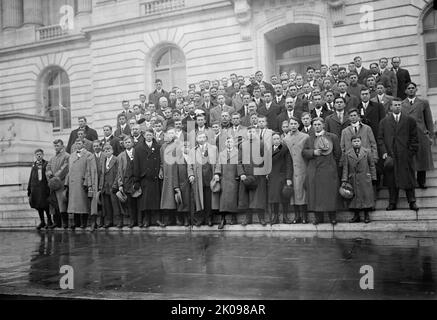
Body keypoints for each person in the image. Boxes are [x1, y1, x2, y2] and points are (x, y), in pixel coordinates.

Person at [377, 98, 419, 211]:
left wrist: (410, 152)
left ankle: (412, 201)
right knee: (391, 180)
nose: (397, 107)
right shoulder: (384, 122)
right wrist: (384, 152)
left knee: (408, 179)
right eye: (395, 105)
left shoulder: (409, 120)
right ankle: (392, 202)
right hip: (391, 156)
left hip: (405, 155)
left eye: (399, 105)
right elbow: (380, 139)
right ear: (390, 107)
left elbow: (414, 138)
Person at [302, 117, 341, 225]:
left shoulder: (332, 137)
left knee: (330, 193)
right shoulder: (309, 139)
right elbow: (304, 153)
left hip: (328, 169)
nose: (317, 126)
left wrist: (332, 165)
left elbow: (338, 154)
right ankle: (318, 218)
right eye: (314, 124)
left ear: (323, 125)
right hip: (315, 170)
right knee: (316, 195)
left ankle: (332, 217)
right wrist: (313, 152)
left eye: (319, 124)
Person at [402, 82, 435, 189]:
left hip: (421, 134)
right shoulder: (401, 104)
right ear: (405, 91)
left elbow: (429, 120)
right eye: (409, 88)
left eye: (413, 88)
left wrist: (430, 135)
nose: (411, 90)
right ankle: (411, 181)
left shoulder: (423, 103)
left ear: (416, 90)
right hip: (407, 135)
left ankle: (422, 181)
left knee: (422, 159)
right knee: (410, 159)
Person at [238, 126, 268, 226]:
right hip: (246, 175)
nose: (251, 133)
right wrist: (241, 173)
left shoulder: (262, 143)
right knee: (247, 198)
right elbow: (239, 161)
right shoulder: (242, 145)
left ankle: (261, 218)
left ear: (256, 133)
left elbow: (266, 159)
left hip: (259, 175)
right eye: (249, 131)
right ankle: (248, 218)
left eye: (253, 131)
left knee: (259, 198)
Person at [342, 135, 377, 224]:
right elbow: (345, 167)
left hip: (365, 177)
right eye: (354, 141)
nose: (356, 143)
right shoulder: (348, 153)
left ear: (361, 142)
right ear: (351, 143)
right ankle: (356, 215)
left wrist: (373, 177)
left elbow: (372, 165)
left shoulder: (367, 152)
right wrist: (344, 179)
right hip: (353, 178)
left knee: (366, 196)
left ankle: (366, 215)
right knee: (355, 198)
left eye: (358, 141)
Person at [188, 132, 218, 227]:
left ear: (206, 138)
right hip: (198, 179)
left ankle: (209, 219)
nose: (201, 139)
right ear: (196, 139)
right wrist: (191, 175)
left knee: (209, 200)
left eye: (203, 137)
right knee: (199, 200)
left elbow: (218, 162)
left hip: (210, 177)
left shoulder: (213, 149)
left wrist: (217, 173)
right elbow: (190, 165)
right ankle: (200, 219)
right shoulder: (193, 150)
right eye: (199, 137)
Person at [283, 117, 310, 224]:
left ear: (299, 125)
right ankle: (297, 216)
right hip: (291, 170)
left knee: (303, 193)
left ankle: (304, 216)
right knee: (293, 194)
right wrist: (287, 176)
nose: (293, 126)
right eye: (291, 124)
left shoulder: (305, 137)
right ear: (288, 126)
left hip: (303, 168)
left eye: (295, 123)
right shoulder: (285, 139)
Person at [133, 129, 162, 227]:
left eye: (150, 135)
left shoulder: (158, 147)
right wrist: (136, 180)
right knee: (145, 201)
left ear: (153, 135)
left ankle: (157, 219)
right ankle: (147, 220)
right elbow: (136, 165)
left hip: (155, 177)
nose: (149, 137)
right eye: (147, 135)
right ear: (144, 136)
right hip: (144, 177)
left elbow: (161, 161)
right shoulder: (138, 148)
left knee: (156, 199)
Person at [65, 139, 95, 230]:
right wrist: (67, 182)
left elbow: (89, 169)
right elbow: (69, 170)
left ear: (84, 144)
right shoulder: (72, 156)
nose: (77, 145)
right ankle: (76, 222)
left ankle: (84, 222)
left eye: (79, 143)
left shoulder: (88, 155)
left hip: (82, 182)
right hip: (73, 182)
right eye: (76, 143)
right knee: (74, 204)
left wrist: (86, 181)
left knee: (82, 203)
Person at [267, 132, 293, 225]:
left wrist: (288, 178)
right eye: (274, 139)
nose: (276, 141)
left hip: (282, 176)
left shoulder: (284, 149)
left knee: (284, 198)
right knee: (274, 198)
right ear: (272, 140)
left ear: (280, 140)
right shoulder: (269, 150)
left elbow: (289, 164)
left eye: (278, 139)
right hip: (272, 177)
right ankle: (275, 217)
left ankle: (285, 217)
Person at [215, 136, 240, 229]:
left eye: (230, 141)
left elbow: (240, 164)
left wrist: (239, 175)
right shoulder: (222, 154)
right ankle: (223, 218)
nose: (229, 143)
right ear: (225, 144)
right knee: (223, 200)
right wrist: (217, 174)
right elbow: (218, 164)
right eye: (227, 142)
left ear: (233, 143)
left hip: (234, 178)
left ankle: (234, 217)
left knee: (233, 198)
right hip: (224, 179)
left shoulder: (237, 153)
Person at [46, 139, 70, 229]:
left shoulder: (67, 156)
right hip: (53, 184)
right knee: (54, 203)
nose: (56, 148)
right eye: (55, 146)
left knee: (62, 203)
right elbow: (48, 167)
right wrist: (49, 174)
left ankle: (64, 222)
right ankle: (56, 222)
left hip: (61, 183)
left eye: (58, 146)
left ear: (62, 146)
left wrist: (55, 176)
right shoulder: (53, 158)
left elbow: (65, 168)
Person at [117, 136, 139, 228]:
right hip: (127, 181)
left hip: (136, 180)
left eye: (129, 142)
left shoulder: (137, 152)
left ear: (133, 143)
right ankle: (132, 220)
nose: (127, 144)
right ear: (124, 144)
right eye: (126, 142)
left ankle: (140, 220)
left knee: (138, 201)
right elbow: (119, 172)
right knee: (130, 202)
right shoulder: (121, 156)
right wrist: (120, 184)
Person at [159, 127, 179, 227]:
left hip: (175, 172)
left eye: (172, 134)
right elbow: (162, 161)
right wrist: (161, 169)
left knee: (177, 195)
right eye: (168, 134)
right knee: (167, 197)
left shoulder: (177, 145)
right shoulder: (163, 147)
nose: (169, 136)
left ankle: (179, 218)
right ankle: (168, 219)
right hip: (167, 174)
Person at [28, 149, 51, 230]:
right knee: (38, 206)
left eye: (40, 154)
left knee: (46, 206)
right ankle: (42, 221)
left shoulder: (46, 164)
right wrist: (29, 189)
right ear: (35, 156)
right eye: (37, 154)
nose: (39, 155)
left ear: (43, 155)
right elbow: (31, 177)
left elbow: (48, 175)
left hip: (44, 188)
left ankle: (49, 220)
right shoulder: (34, 165)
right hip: (36, 189)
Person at [173, 141, 194, 226]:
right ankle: (183, 218)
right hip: (182, 183)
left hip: (191, 183)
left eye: (188, 147)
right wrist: (176, 186)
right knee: (182, 202)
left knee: (191, 201)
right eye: (184, 147)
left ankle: (191, 218)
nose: (186, 148)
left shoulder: (193, 157)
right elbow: (175, 173)